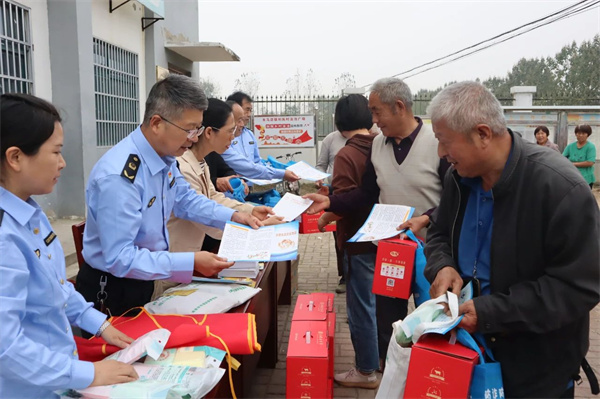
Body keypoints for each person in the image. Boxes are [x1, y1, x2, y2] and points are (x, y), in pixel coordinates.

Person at [424, 81, 600, 398]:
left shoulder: (559, 188)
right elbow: (438, 232)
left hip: (535, 371)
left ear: (482, 134)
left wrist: (494, 313)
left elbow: (579, 286)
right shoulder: (458, 178)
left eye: (444, 141)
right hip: (467, 353)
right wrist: (442, 265)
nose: (440, 152)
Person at [76, 75, 263, 317]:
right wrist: (190, 262)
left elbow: (186, 201)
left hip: (148, 279)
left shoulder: (165, 158)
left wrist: (237, 216)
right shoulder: (120, 177)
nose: (194, 137)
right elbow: (120, 258)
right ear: (156, 123)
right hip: (115, 290)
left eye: (197, 128)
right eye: (189, 129)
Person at [305, 77, 449, 378]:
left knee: (432, 322)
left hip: (432, 253)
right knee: (388, 323)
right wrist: (330, 203)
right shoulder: (378, 146)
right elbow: (366, 195)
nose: (372, 120)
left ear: (399, 107)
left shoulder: (436, 143)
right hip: (390, 252)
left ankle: (428, 381)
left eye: (376, 112)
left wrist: (427, 218)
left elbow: (455, 197)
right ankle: (390, 380)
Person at [0, 93, 138, 398]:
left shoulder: (32, 213)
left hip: (57, 379)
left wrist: (100, 324)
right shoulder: (4, 236)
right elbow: (6, 347)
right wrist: (89, 373)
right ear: (16, 158)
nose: (63, 164)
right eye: (56, 152)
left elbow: (57, 287)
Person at [154, 99, 282, 298]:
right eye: (230, 131)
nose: (233, 137)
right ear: (208, 132)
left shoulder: (200, 163)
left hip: (184, 263)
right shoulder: (181, 167)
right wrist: (256, 227)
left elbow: (212, 198)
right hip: (171, 268)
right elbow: (204, 219)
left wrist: (249, 211)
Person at [316, 94, 379, 388]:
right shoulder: (382, 147)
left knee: (361, 307)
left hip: (358, 242)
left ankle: (366, 370)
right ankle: (381, 361)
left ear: (339, 125)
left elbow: (344, 201)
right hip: (388, 242)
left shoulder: (347, 155)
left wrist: (327, 214)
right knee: (382, 305)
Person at [221, 91, 300, 182]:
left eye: (251, 110)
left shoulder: (249, 134)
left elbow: (257, 161)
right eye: (247, 109)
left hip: (250, 186)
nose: (249, 114)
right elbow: (244, 165)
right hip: (232, 188)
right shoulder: (223, 140)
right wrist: (280, 173)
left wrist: (274, 170)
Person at [563, 124, 596, 189]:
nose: (580, 135)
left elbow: (590, 162)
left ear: (588, 134)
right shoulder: (570, 146)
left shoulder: (590, 147)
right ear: (576, 134)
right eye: (578, 133)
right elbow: (562, 158)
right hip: (572, 177)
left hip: (586, 179)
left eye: (583, 133)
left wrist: (572, 164)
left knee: (584, 198)